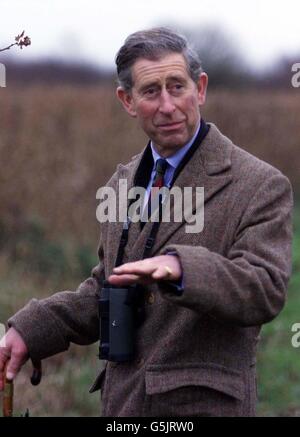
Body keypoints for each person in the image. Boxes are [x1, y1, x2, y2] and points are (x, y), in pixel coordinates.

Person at [0, 27, 293, 417]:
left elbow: (264, 288)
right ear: (128, 100)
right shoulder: (120, 184)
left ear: (200, 88)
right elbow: (108, 288)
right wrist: (28, 330)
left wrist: (180, 268)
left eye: (177, 86)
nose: (168, 105)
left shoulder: (259, 184)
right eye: (151, 91)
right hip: (123, 408)